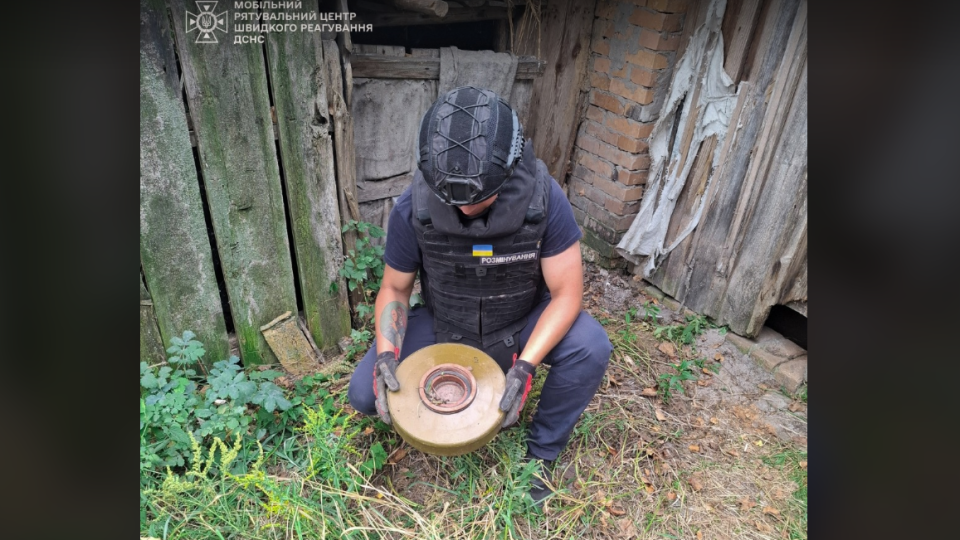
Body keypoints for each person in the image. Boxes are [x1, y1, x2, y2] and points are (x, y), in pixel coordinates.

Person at [347, 86, 612, 504]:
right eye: (449, 195)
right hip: (446, 322)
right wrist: (385, 355)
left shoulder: (546, 201)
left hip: (519, 320)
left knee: (590, 346)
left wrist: (525, 368)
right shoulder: (411, 208)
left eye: (475, 195)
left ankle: (540, 455)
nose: (462, 206)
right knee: (363, 392)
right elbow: (395, 287)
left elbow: (566, 294)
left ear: (506, 172)